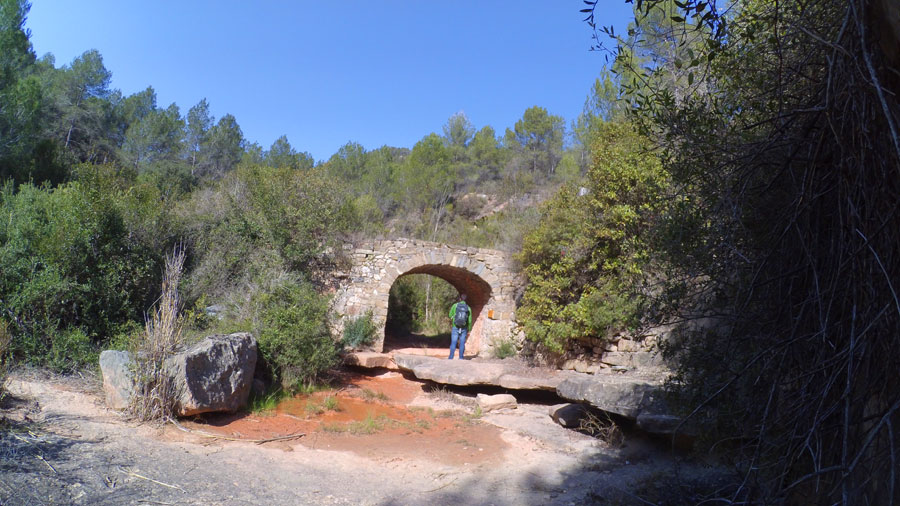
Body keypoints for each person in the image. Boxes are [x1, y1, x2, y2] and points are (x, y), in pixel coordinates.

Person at [448, 294, 472, 359]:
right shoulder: (468, 308)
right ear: (466, 300)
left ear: (460, 299)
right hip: (464, 328)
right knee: (462, 343)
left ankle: (451, 357)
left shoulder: (455, 306)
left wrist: (453, 318)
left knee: (453, 342)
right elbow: (469, 321)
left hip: (455, 326)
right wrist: (469, 329)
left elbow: (450, 315)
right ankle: (461, 357)